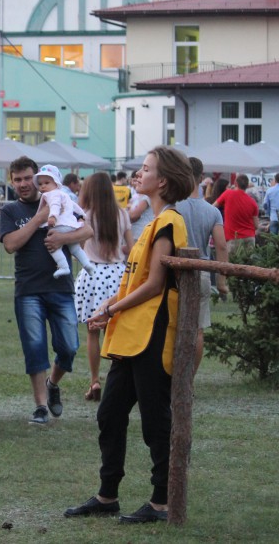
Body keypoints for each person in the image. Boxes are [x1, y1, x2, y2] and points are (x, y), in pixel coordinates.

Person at [65, 146, 193, 525]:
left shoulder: (169, 221)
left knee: (156, 420)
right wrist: (111, 304)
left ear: (163, 181)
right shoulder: (149, 224)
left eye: (146, 169)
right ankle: (107, 495)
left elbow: (155, 284)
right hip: (131, 334)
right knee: (110, 411)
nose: (138, 174)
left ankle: (160, 501)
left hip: (152, 332)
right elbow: (134, 278)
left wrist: (112, 308)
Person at [0, 156, 92, 425]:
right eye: (17, 180)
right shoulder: (10, 212)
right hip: (28, 289)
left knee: (70, 346)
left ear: (39, 178)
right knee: (35, 347)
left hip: (60, 287)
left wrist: (64, 237)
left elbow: (88, 230)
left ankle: (53, 382)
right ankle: (40, 406)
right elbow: (10, 244)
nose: (24, 184)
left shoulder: (61, 199)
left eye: (28, 178)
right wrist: (39, 216)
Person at [73, 172, 133, 403]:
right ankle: (116, 381)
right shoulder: (122, 214)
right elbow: (132, 246)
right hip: (117, 274)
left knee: (92, 331)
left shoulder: (85, 216)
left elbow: (77, 248)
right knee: (115, 330)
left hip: (92, 274)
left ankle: (95, 379)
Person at [176, 157, 229, 369]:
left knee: (172, 327)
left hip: (175, 271)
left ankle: (172, 378)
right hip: (202, 272)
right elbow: (221, 246)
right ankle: (189, 380)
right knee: (197, 329)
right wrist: (222, 281)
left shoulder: (172, 206)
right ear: (201, 178)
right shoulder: (212, 211)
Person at [34, 164, 96, 278]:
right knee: (75, 248)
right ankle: (87, 264)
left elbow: (55, 205)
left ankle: (63, 267)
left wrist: (52, 216)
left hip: (58, 225)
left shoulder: (51, 194)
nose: (43, 186)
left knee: (53, 246)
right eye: (40, 183)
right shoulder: (64, 194)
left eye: (46, 183)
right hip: (71, 226)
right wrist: (82, 214)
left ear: (56, 183)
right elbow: (74, 206)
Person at [213, 174, 260, 254]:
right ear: (247, 186)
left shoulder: (228, 194)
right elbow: (256, 225)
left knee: (232, 264)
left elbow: (213, 207)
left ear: (236, 184)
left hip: (233, 237)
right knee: (248, 264)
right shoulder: (253, 202)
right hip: (249, 237)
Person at [128, 170, 154, 239]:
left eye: (139, 181)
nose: (136, 183)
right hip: (135, 235)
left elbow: (134, 215)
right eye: (135, 180)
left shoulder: (147, 196)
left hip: (141, 235)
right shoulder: (137, 196)